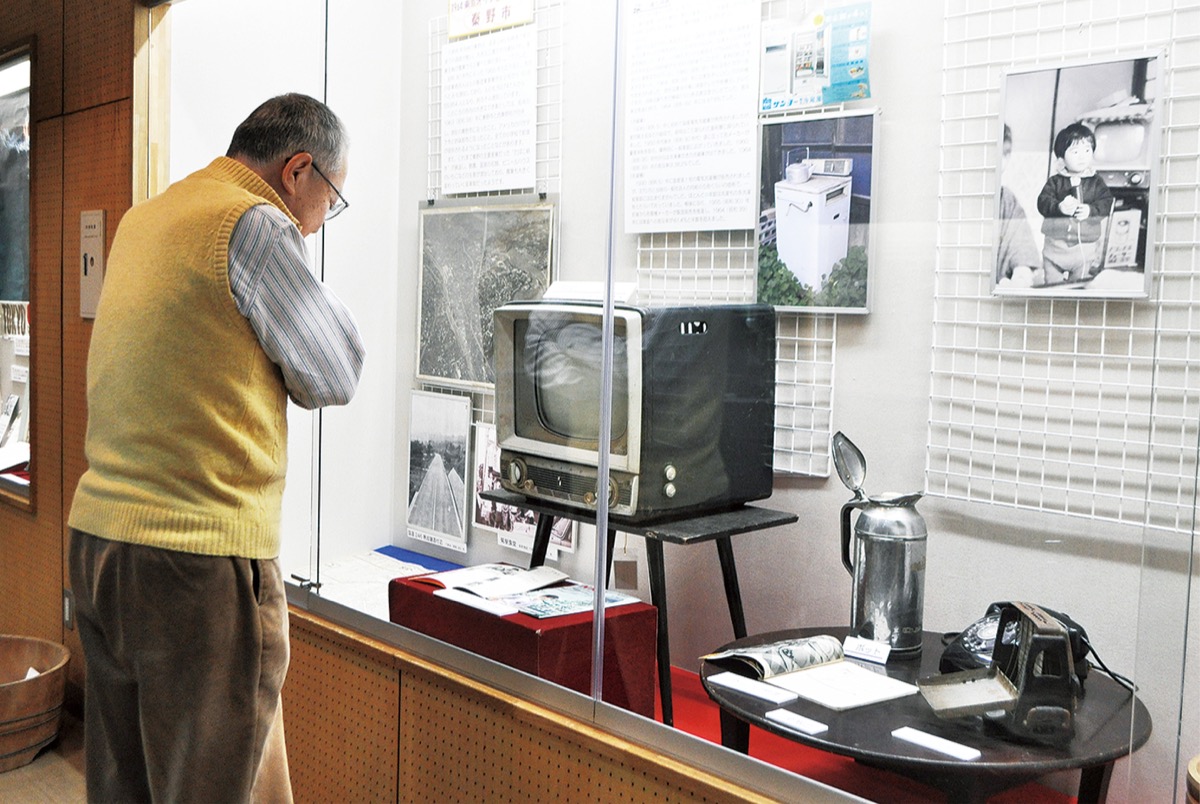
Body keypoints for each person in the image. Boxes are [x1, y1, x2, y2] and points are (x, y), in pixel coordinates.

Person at [67, 93, 365, 803]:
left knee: (125, 782)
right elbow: (333, 373)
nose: (321, 222)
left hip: (100, 542)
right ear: (299, 171)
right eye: (334, 199)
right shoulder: (254, 222)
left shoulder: (151, 217)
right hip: (196, 562)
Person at [1035, 121, 1114, 284]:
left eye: (1087, 150)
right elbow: (1042, 202)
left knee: (1079, 285)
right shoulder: (1055, 181)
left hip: (1084, 249)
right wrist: (1059, 207)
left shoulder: (1096, 182)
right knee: (1052, 284)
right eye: (1075, 151)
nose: (1083, 156)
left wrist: (1091, 211)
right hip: (1055, 247)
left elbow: (1107, 202)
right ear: (1062, 157)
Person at [995, 124, 1041, 288]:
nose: (1002, 161)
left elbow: (1021, 245)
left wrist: (1021, 276)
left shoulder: (1006, 199)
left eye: (1005, 154)